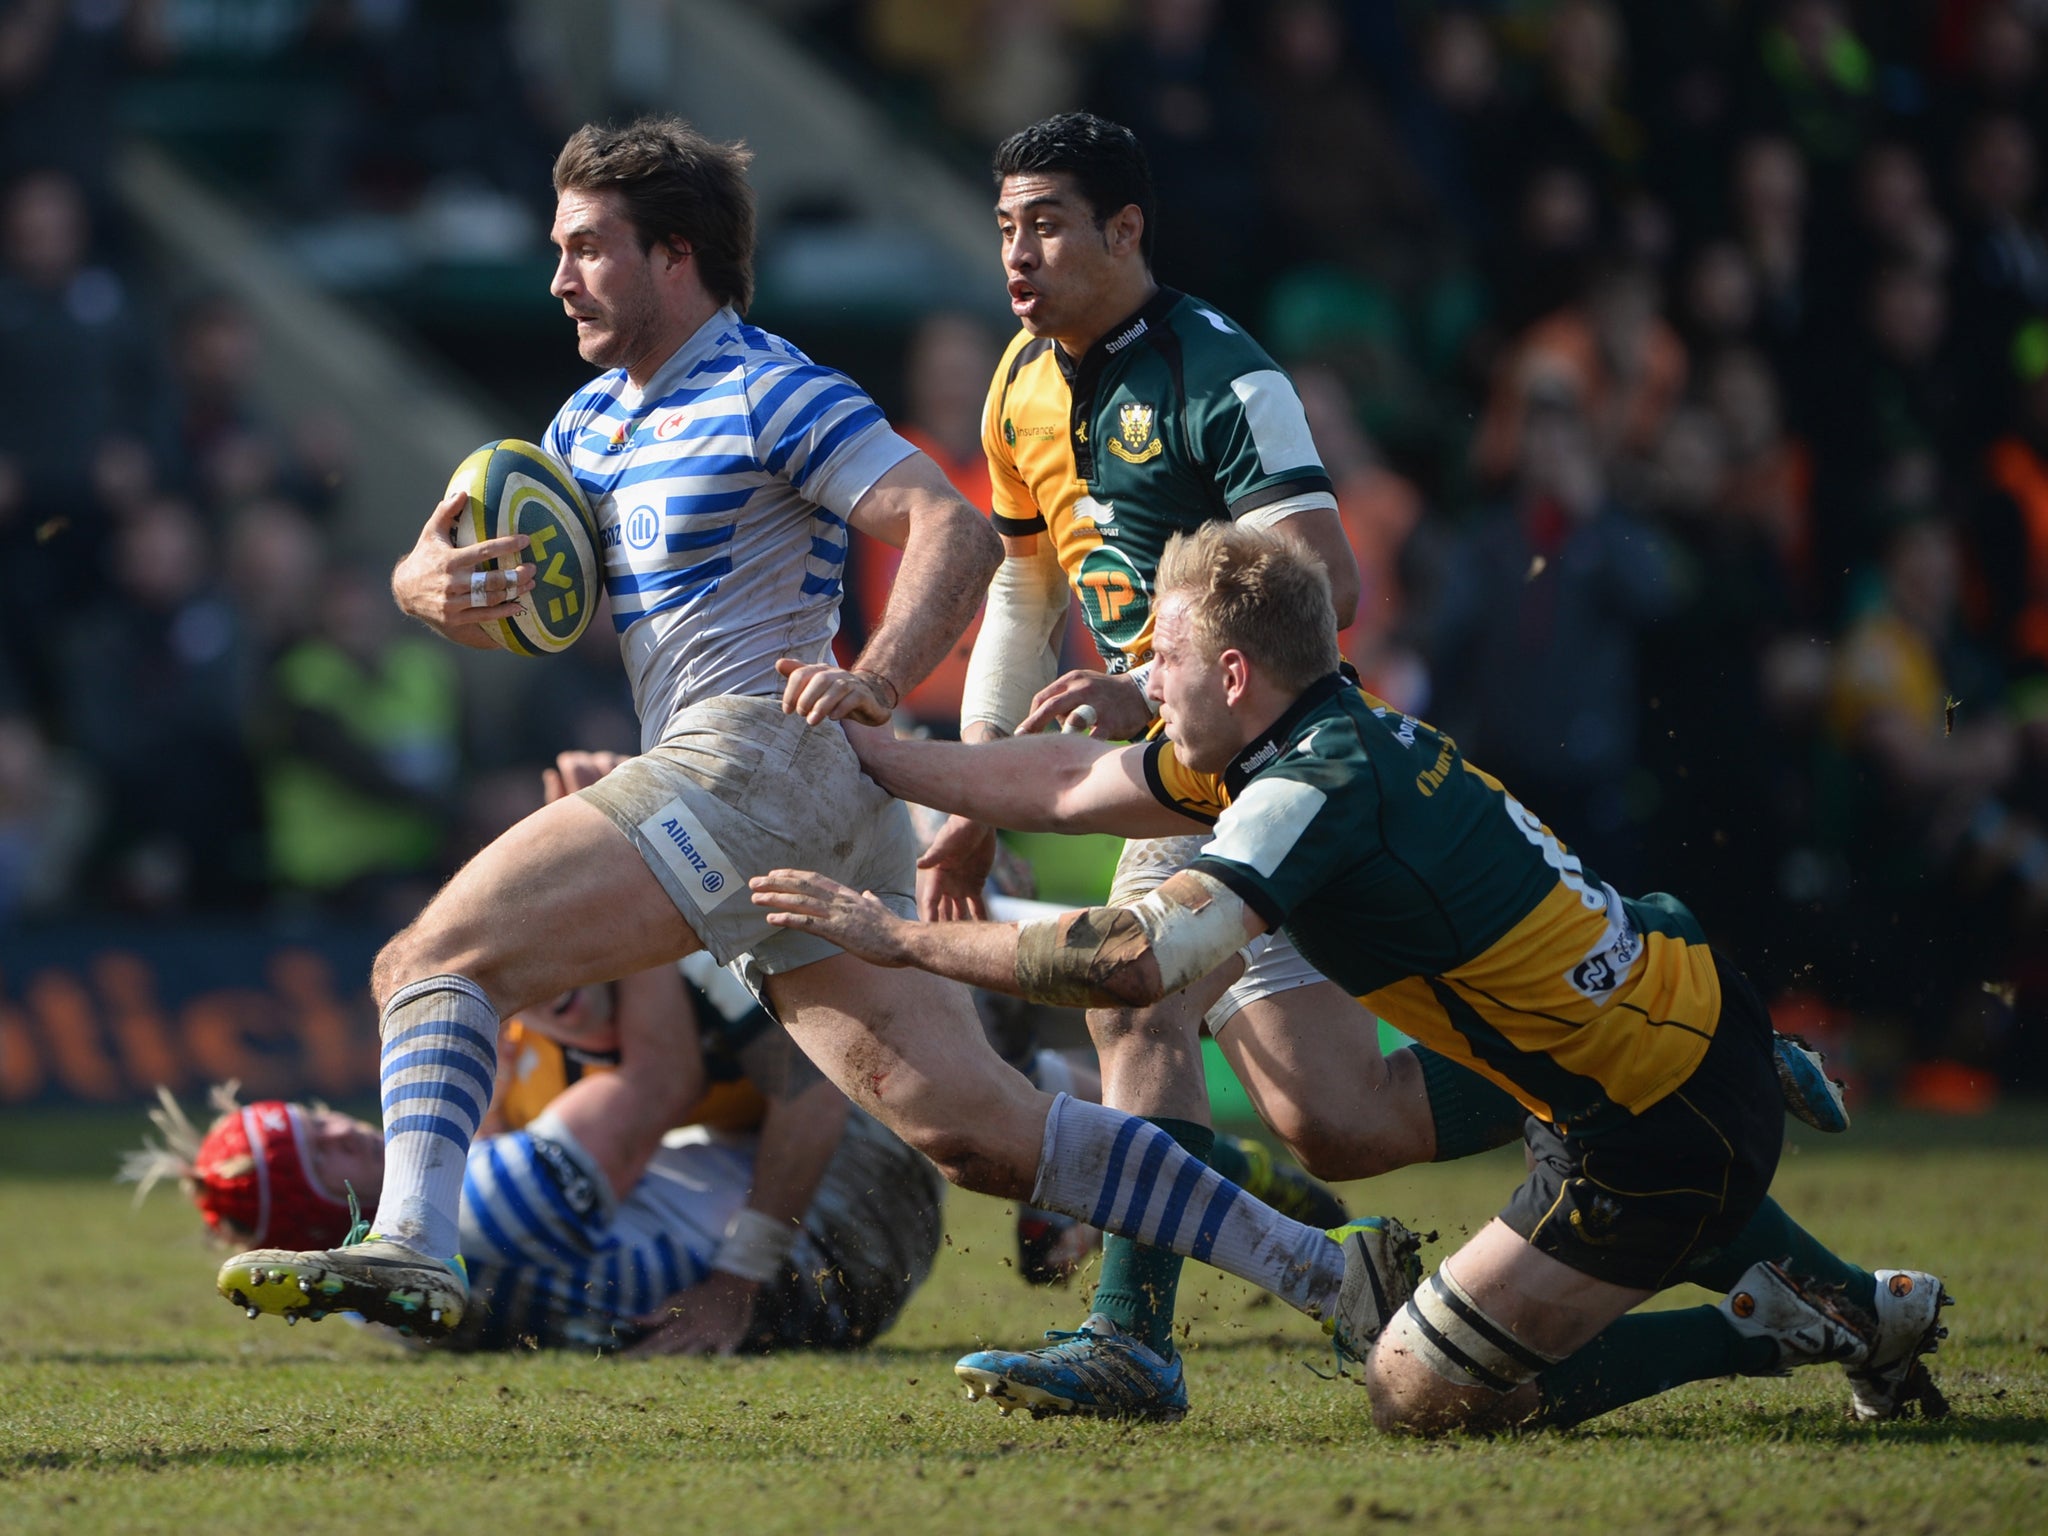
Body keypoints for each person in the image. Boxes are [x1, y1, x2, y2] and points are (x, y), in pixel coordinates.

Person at [210, 117, 1426, 1378]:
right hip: (797, 800)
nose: (559, 280)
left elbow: (944, 530)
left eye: (585, 249)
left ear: (673, 257)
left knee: (430, 960)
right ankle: (1332, 1275)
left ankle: (412, 1239)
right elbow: (432, 551)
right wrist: (426, 588)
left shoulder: (763, 385)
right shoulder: (582, 425)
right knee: (977, 1134)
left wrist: (878, 678)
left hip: (753, 761)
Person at [922, 112, 1839, 1422]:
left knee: (1132, 1006)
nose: (1019, 250)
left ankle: (1129, 1340)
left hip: (1265, 759)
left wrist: (1149, 681)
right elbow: (1022, 589)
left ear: (1126, 230)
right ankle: (1678, 1032)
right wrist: (978, 773)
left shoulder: (1222, 375)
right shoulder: (1018, 383)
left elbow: (1328, 581)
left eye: (1050, 222)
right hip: (1178, 757)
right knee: (1334, 1126)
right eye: (1006, 223)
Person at [753, 521, 1952, 1432]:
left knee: (1417, 1393)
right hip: (1654, 1036)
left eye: (1159, 654)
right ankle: (1857, 1306)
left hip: (1652, 1115)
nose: (1139, 680)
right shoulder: (1304, 735)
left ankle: (1770, 1331)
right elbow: (1066, 782)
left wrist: (892, 933)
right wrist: (866, 749)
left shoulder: (1304, 793)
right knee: (1368, 1131)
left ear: (1232, 676)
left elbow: (1135, 960)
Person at [131, 957, 945, 1354]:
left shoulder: (376, 1307)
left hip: (787, 1298)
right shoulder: (480, 1206)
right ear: (317, 1218)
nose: (345, 1129)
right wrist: (640, 899)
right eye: (319, 1155)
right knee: (838, 1011)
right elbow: (661, 1080)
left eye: (317, 1120)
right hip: (822, 1259)